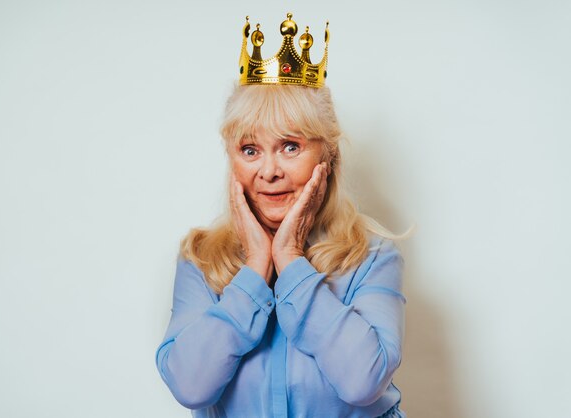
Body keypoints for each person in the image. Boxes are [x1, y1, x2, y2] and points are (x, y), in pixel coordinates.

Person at [156, 13, 406, 418]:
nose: (269, 172)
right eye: (250, 149)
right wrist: (256, 268)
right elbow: (189, 385)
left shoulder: (372, 258)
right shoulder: (201, 260)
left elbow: (363, 381)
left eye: (290, 146)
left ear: (327, 155)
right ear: (232, 160)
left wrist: (289, 258)